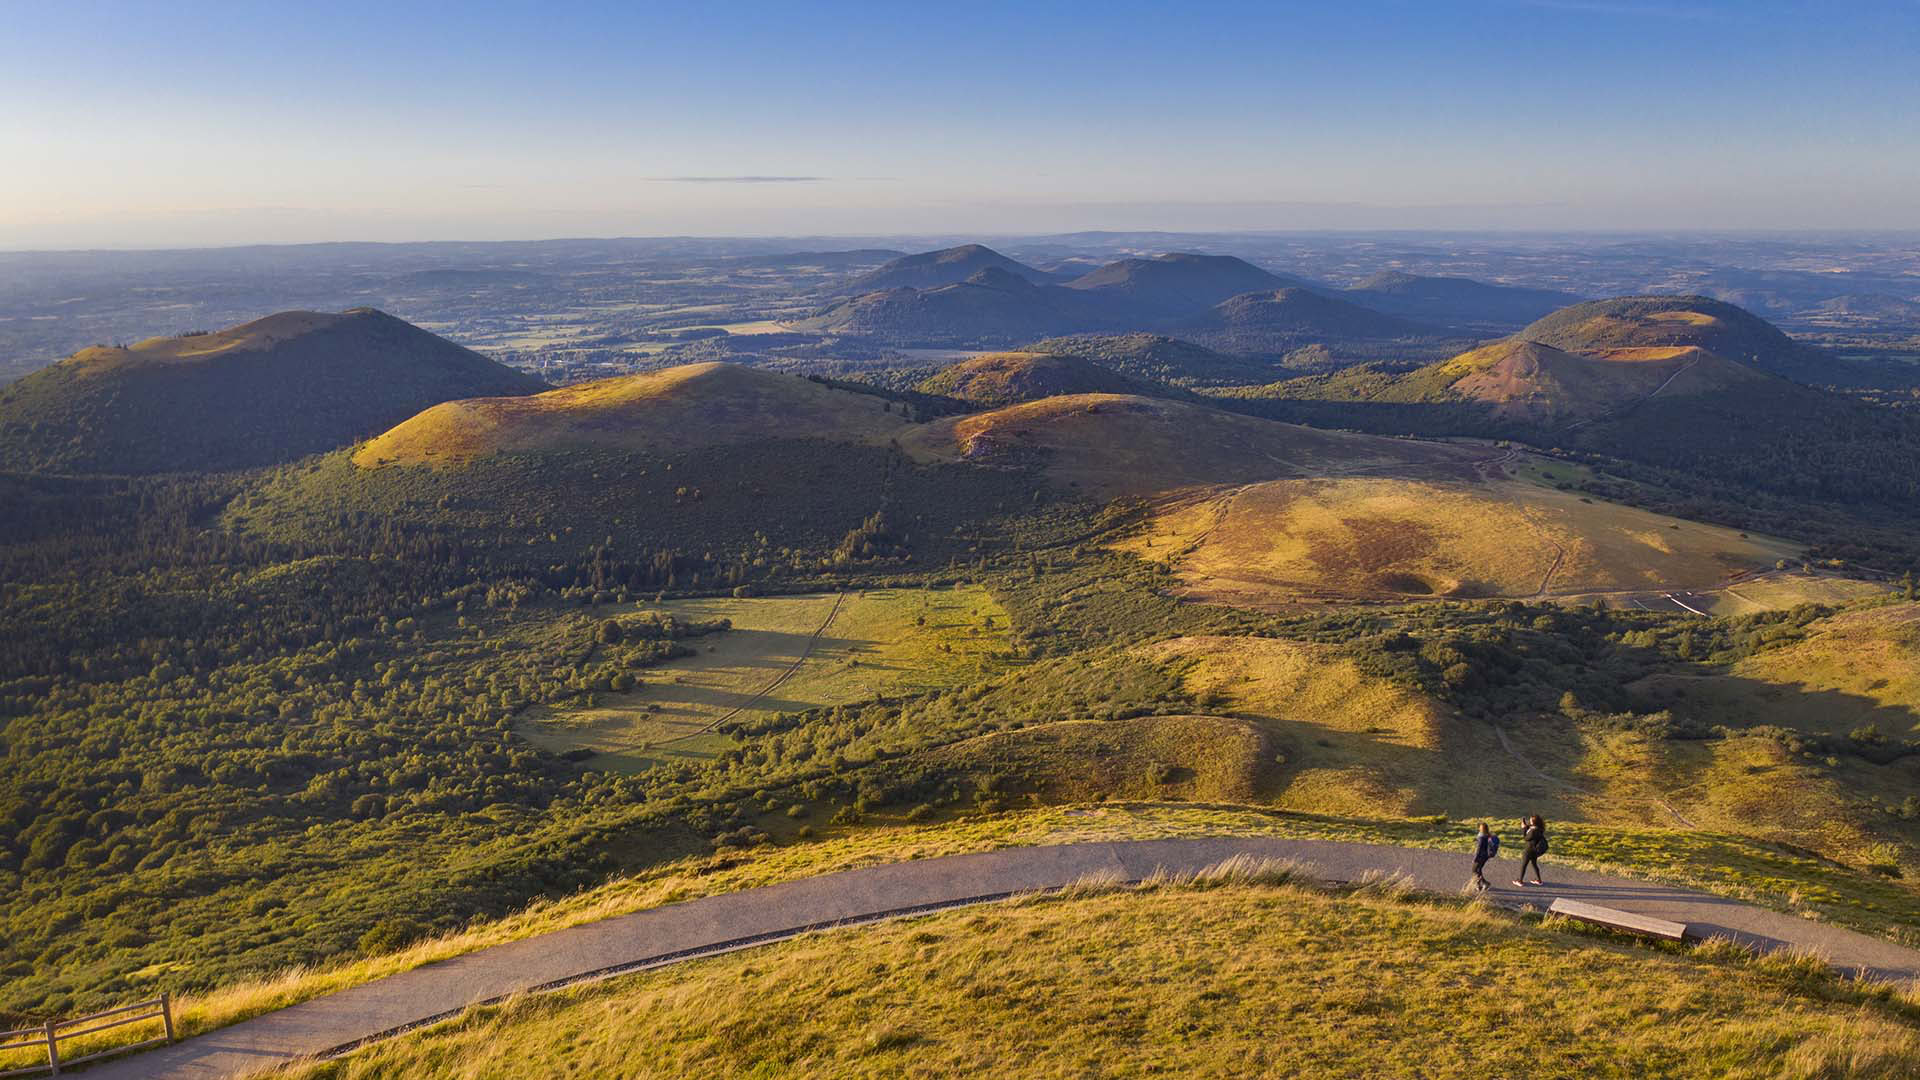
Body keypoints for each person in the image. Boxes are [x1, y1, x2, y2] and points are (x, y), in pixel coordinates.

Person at [1513, 815, 1548, 886]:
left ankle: (1520, 881)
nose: (1529, 821)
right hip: (1535, 850)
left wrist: (1523, 829)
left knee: (1524, 865)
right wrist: (1526, 826)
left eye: (1531, 820)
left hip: (1528, 850)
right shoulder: (1540, 829)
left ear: (1534, 822)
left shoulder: (1533, 831)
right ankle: (1539, 880)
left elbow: (1526, 838)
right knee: (1534, 864)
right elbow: (1530, 828)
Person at [1470, 822, 1499, 891]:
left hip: (1480, 856)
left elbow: (1479, 849)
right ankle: (1479, 885)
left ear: (1480, 828)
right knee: (1478, 870)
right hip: (1486, 856)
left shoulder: (1481, 837)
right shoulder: (1488, 835)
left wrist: (1475, 859)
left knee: (1474, 870)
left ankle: (1482, 884)